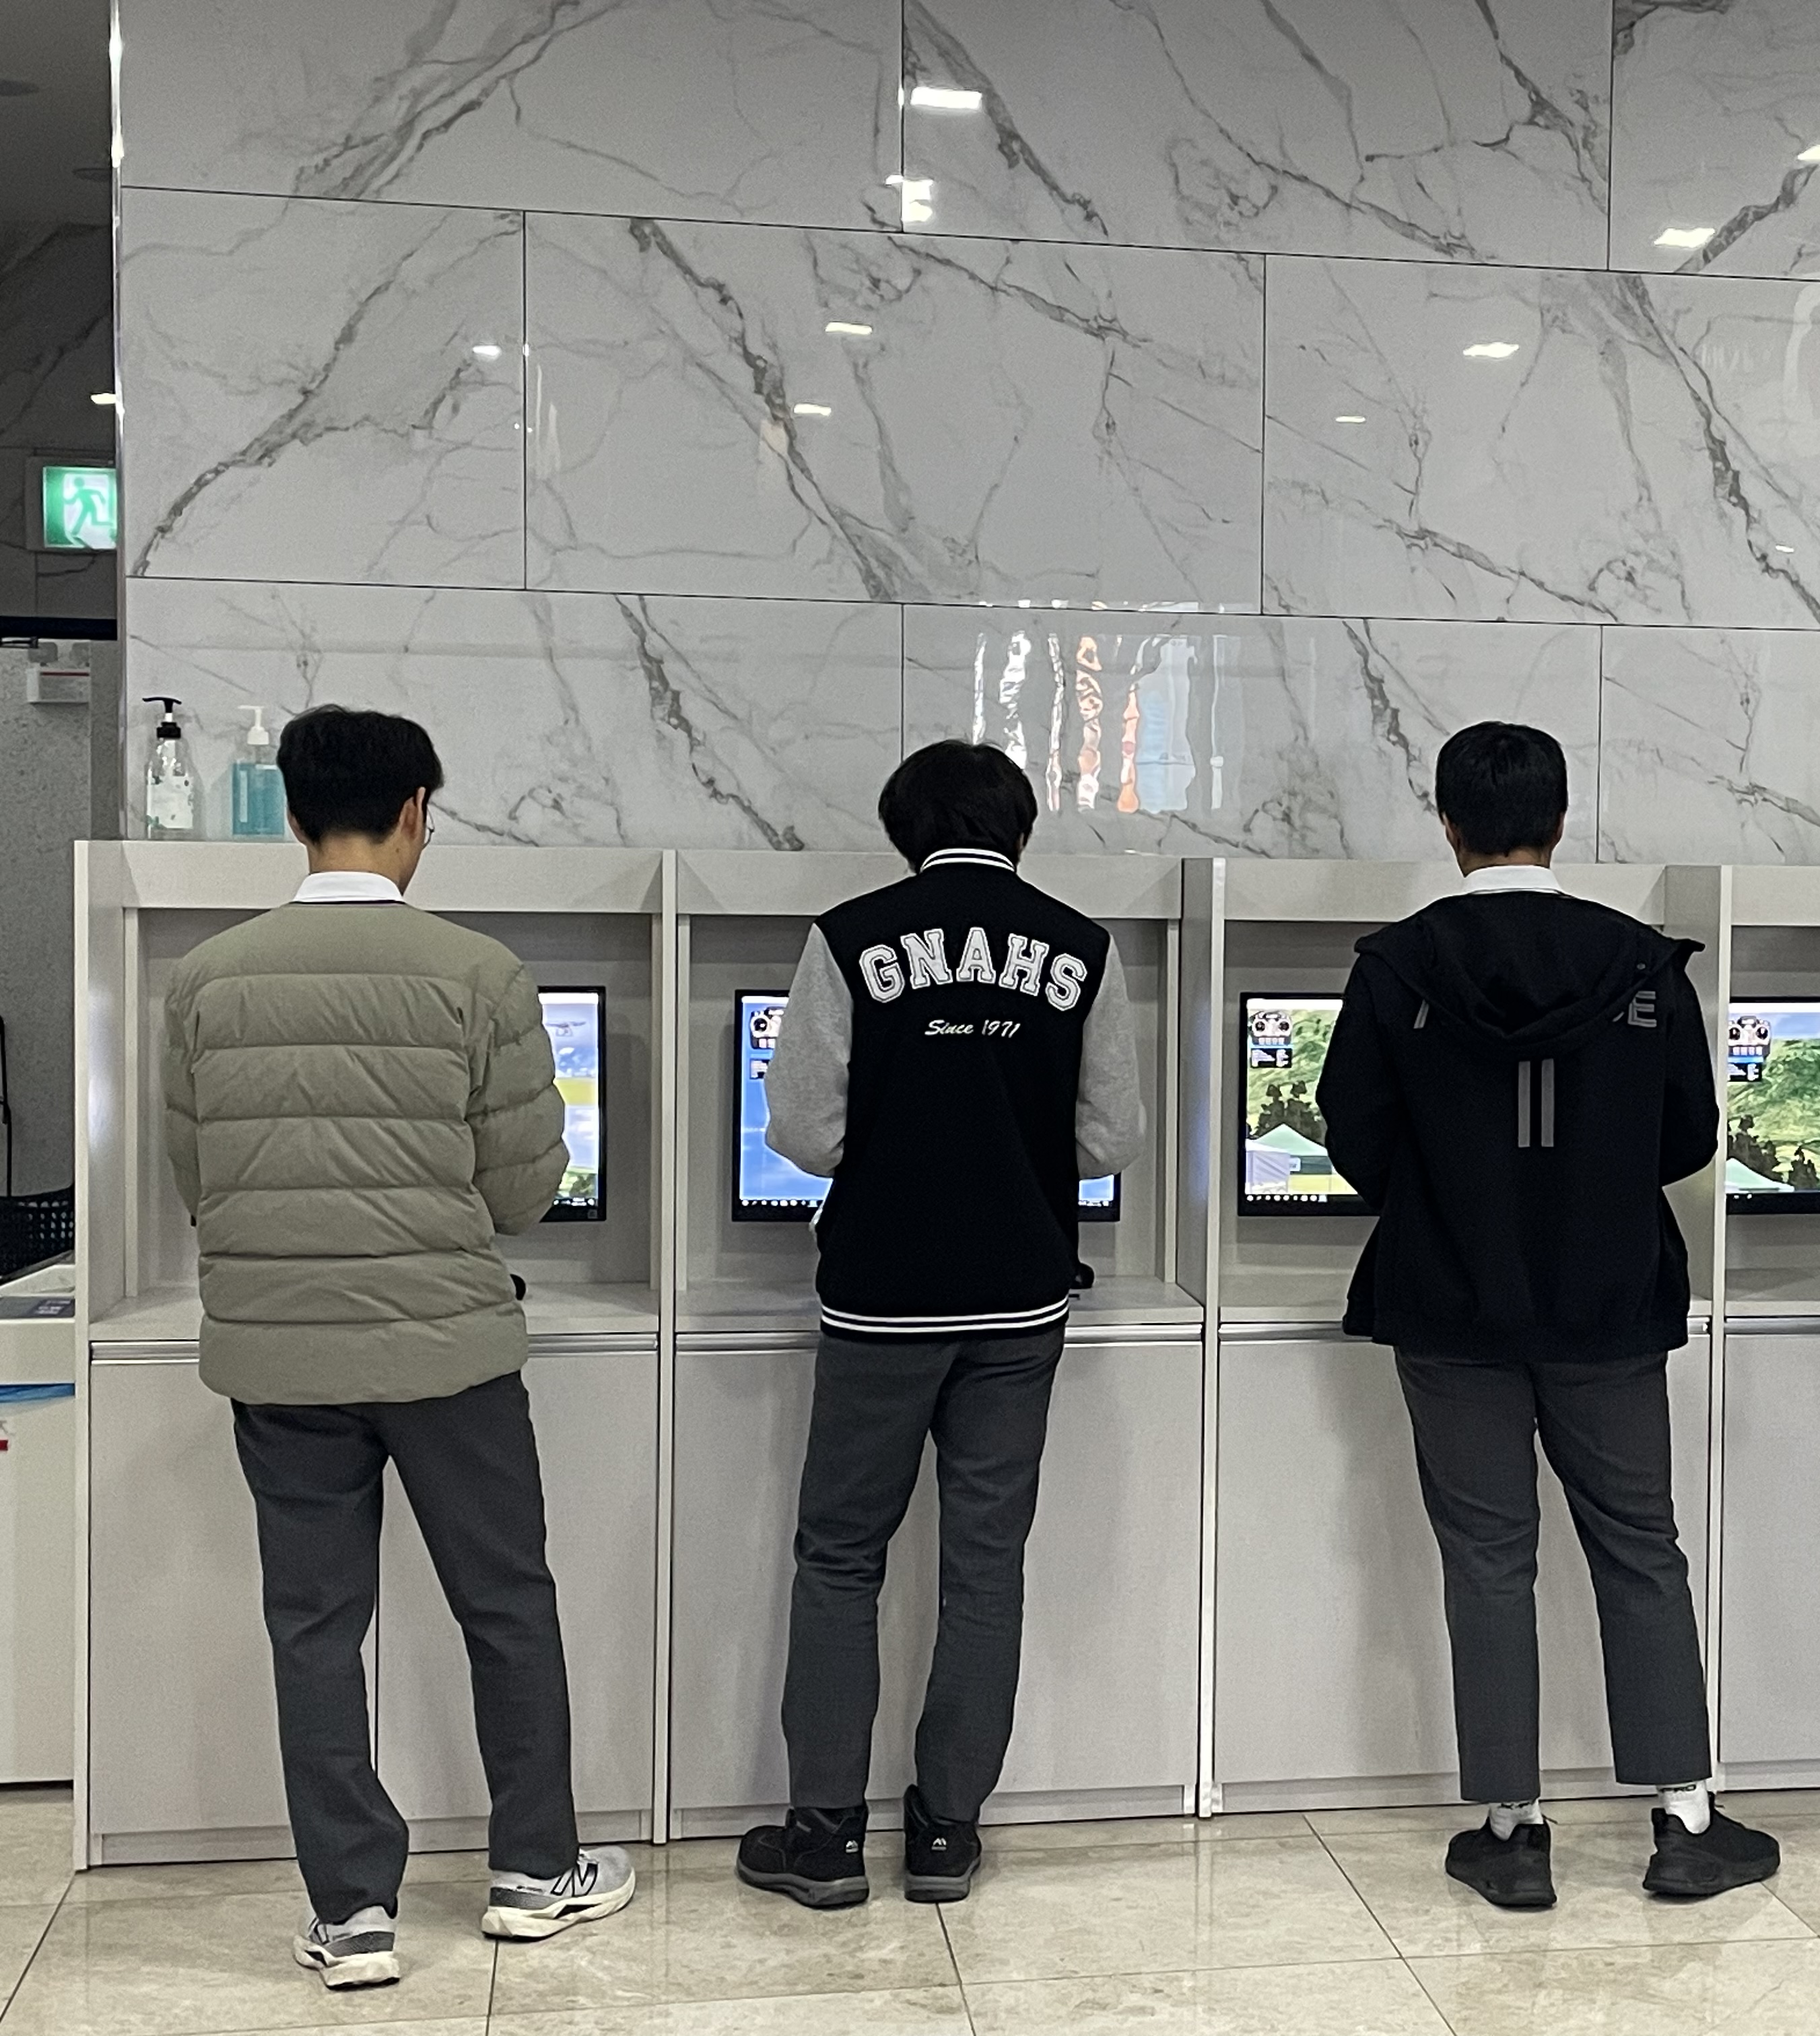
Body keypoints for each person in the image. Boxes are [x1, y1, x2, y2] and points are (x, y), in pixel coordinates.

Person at [162, 707, 632, 1990]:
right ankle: (533, 1874)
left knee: (314, 1631)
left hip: (280, 1362)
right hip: (450, 1358)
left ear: (291, 813)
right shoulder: (479, 974)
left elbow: (198, 1175)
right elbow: (524, 1187)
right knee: (507, 1606)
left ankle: (354, 1913)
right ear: (418, 813)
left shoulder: (207, 979)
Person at [1316, 722, 1780, 1911]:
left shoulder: (1397, 965)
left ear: (1448, 825)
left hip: (1448, 1302)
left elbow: (1354, 1133)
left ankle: (1512, 1832)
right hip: (1607, 1302)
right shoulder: (1641, 964)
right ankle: (1684, 1819)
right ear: (1561, 822)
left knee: (1487, 1561)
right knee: (1641, 1551)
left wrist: (1448, 1198)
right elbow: (1690, 1135)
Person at [735, 741, 1144, 1907]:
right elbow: (1109, 1140)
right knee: (985, 1565)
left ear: (904, 830)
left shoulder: (849, 937)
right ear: (1020, 828)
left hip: (881, 1300)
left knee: (840, 1558)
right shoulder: (1081, 946)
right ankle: (948, 1833)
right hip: (1020, 1298)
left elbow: (803, 1132)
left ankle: (824, 1836)